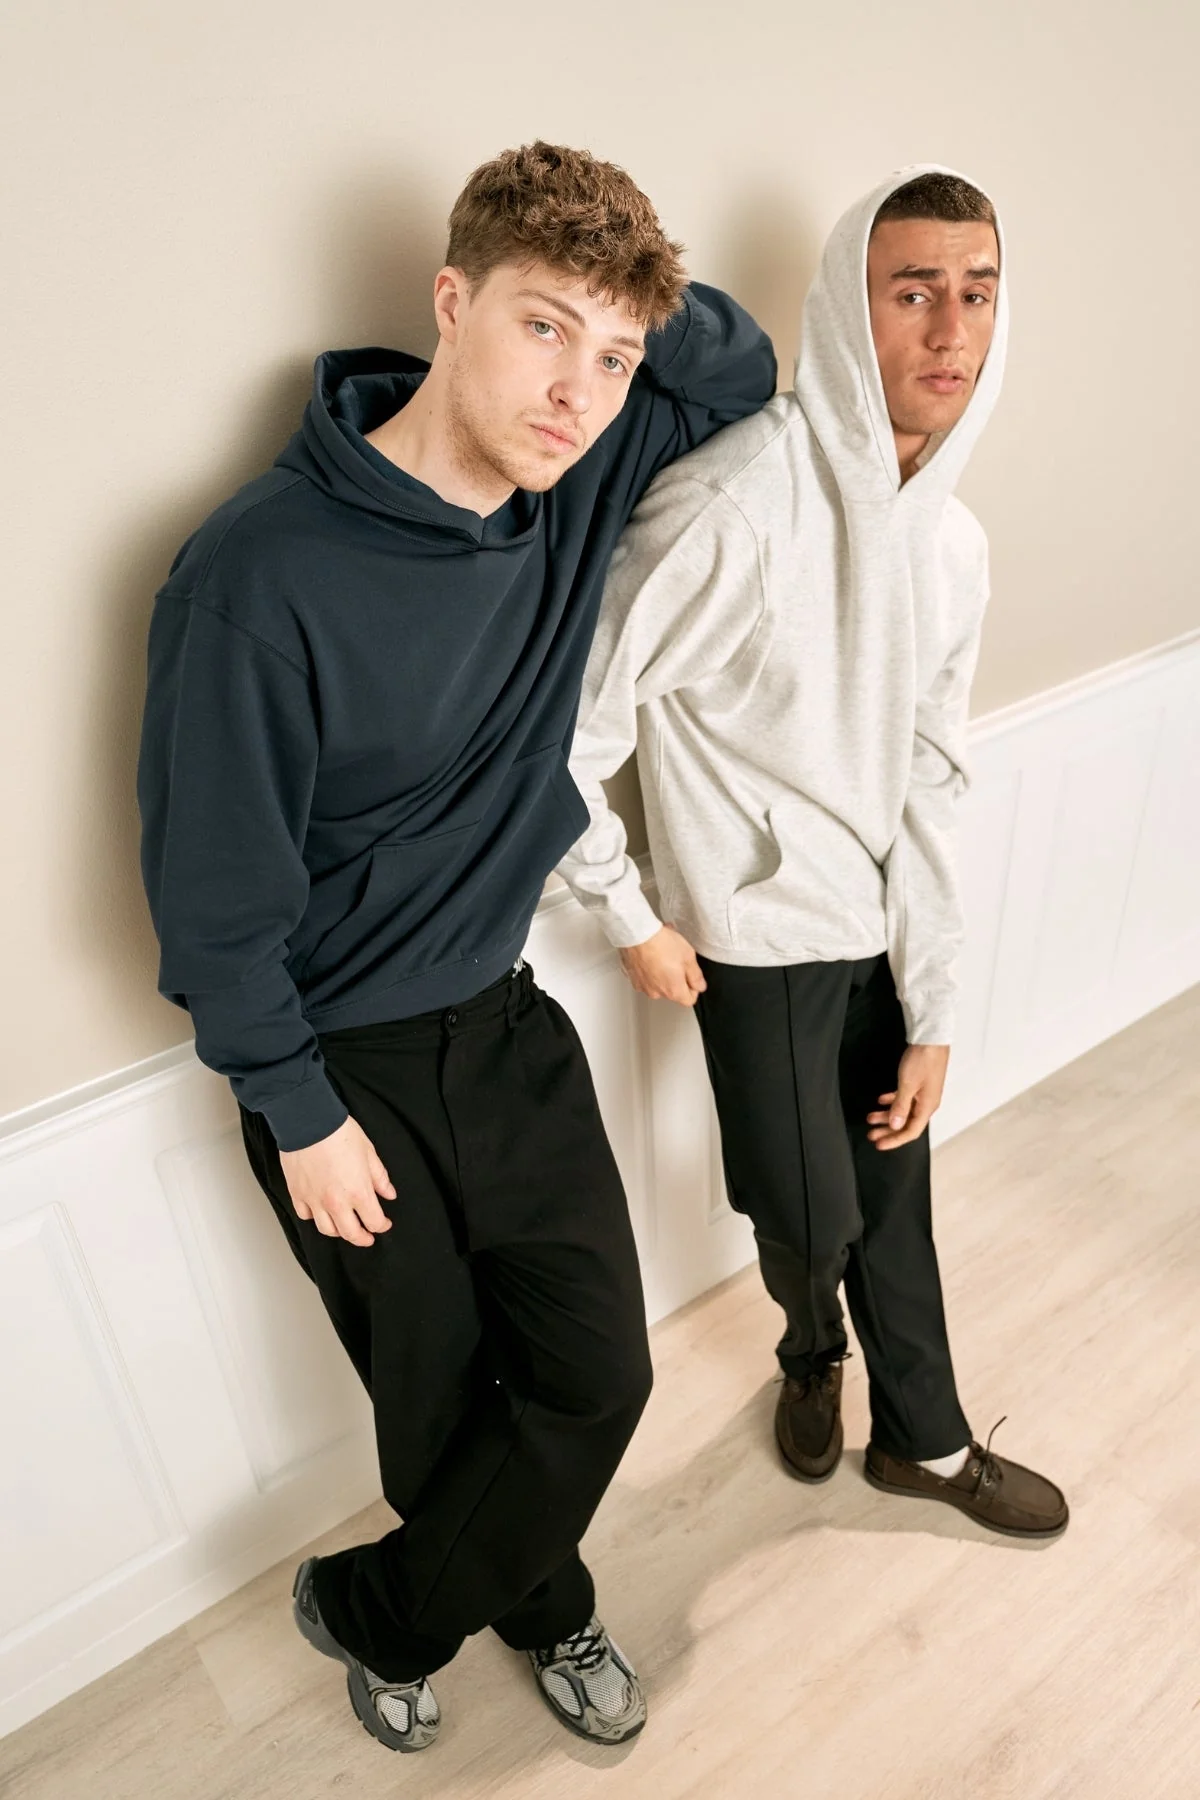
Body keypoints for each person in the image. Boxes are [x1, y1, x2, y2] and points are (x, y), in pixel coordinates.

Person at [137, 141, 775, 1754]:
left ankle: (377, 1612)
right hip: (344, 1070)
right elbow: (211, 897)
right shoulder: (257, 571)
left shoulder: (579, 481)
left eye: (614, 355)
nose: (579, 392)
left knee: (596, 1375)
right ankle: (548, 1613)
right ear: (448, 301)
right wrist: (295, 1109)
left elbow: (740, 367)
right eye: (542, 327)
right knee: (435, 1400)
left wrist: (626, 297)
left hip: (504, 1023)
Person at [559, 166, 1068, 1541]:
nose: (951, 331)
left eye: (978, 294)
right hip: (760, 939)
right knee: (807, 1213)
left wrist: (936, 1008)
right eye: (915, 292)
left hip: (882, 931)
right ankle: (808, 1349)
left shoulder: (952, 545)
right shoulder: (736, 506)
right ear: (852, 305)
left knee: (896, 1192)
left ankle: (926, 1442)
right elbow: (571, 727)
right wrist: (626, 913)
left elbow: (933, 780)